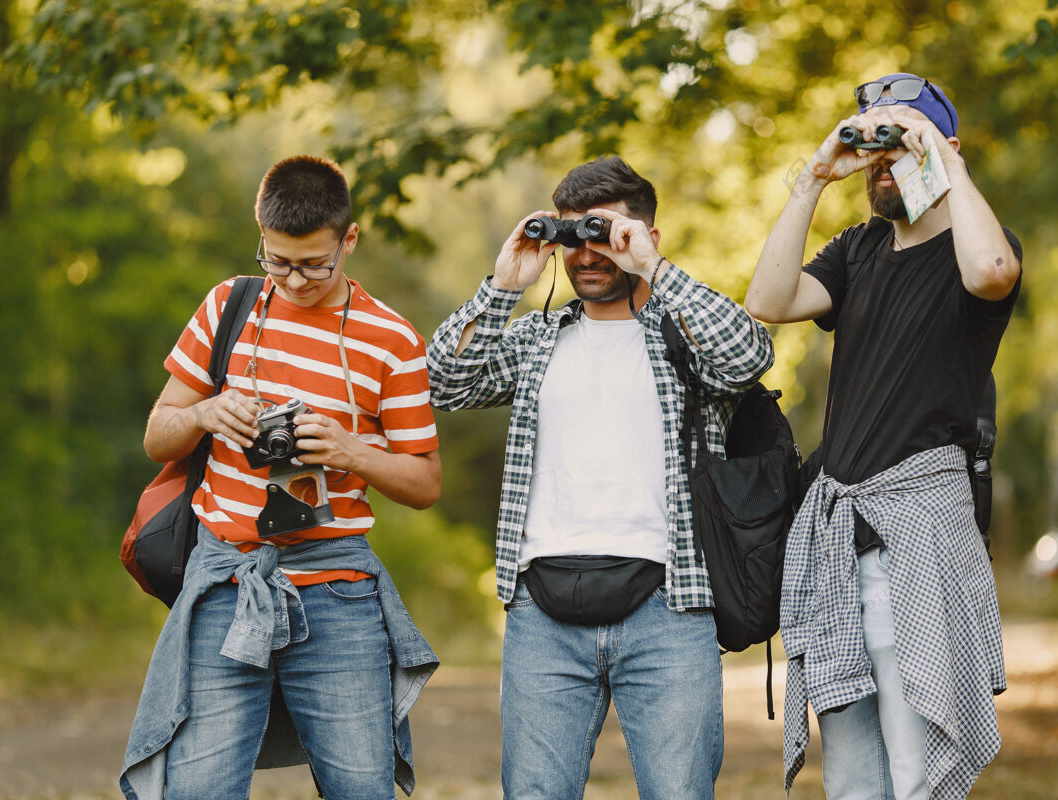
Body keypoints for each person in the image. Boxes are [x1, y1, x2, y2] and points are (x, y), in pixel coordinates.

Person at [426, 155, 774, 799]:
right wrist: (504, 285)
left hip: (671, 605)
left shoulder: (686, 338)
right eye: (571, 236)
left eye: (604, 234)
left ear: (645, 236)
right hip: (541, 611)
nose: (585, 253)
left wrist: (653, 271)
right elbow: (443, 381)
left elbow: (750, 353)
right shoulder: (537, 338)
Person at [120, 155, 442, 800]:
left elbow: (426, 483)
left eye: (314, 263)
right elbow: (158, 433)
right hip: (225, 580)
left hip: (338, 590)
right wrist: (206, 412)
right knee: (199, 789)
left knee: (361, 787)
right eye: (277, 260)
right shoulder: (228, 305)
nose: (293, 280)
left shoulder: (392, 339)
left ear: (349, 239)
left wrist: (352, 452)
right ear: (261, 238)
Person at [745, 74, 1022, 799]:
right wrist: (812, 177)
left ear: (942, 148)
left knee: (918, 770)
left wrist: (944, 163)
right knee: (855, 780)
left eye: (899, 143)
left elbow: (991, 271)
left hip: (918, 541)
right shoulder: (858, 250)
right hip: (839, 546)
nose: (881, 161)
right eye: (872, 147)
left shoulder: (978, 248)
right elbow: (768, 300)